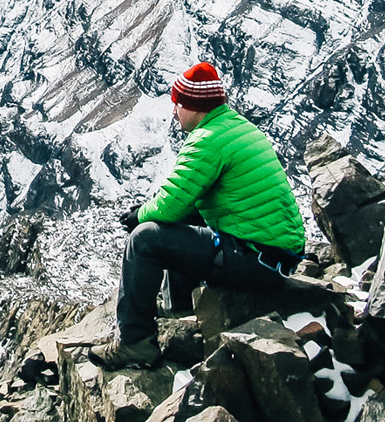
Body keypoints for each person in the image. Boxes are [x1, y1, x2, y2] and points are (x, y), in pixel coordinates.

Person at [91, 61, 305, 370]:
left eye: (178, 102)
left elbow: (170, 206)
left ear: (194, 106)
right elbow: (186, 204)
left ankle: (135, 342)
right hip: (272, 255)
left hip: (254, 259)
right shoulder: (237, 127)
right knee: (181, 223)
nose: (174, 110)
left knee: (146, 239)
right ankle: (181, 314)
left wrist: (139, 214)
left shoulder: (208, 139)